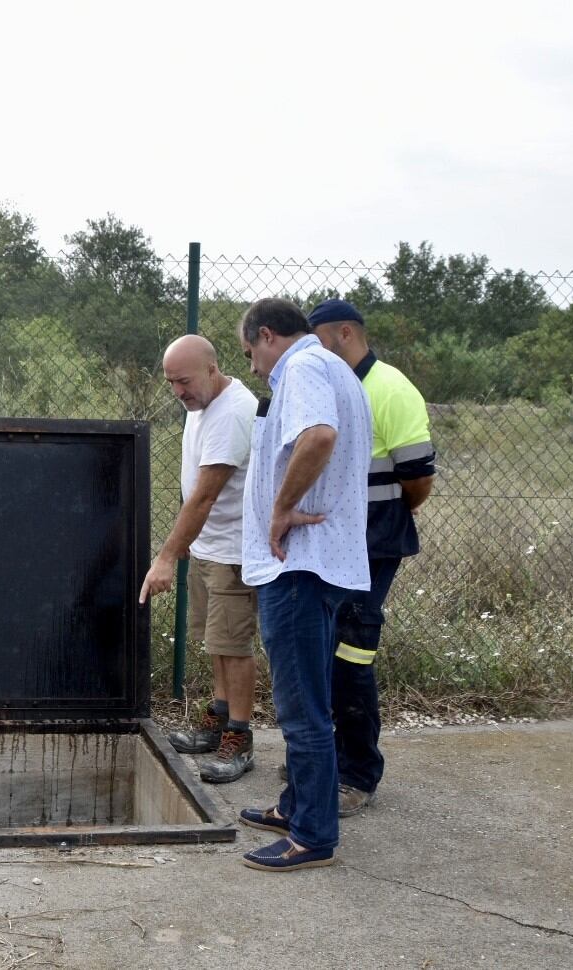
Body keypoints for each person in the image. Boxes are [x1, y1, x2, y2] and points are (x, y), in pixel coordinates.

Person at [235, 298, 371, 872]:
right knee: (307, 693)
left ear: (268, 336)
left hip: (299, 564)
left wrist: (282, 507)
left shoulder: (304, 368)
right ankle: (297, 808)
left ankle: (313, 835)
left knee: (300, 707)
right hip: (318, 563)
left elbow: (317, 436)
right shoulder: (334, 368)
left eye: (250, 355)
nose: (255, 369)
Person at [309, 298, 435, 816]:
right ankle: (330, 759)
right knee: (322, 649)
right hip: (333, 542)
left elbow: (418, 480)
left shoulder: (390, 389)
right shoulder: (330, 385)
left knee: (353, 652)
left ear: (344, 334)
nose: (311, 352)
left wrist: (376, 516)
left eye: (317, 339)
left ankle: (358, 773)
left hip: (375, 544)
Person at [140, 334, 260, 784]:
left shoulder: (232, 412)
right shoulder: (201, 405)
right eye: (171, 383)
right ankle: (219, 717)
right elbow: (199, 492)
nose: (178, 391)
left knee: (233, 646)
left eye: (184, 381)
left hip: (233, 551)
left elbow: (206, 495)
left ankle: (240, 739)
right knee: (216, 644)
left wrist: (167, 556)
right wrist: (189, 543)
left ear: (213, 369)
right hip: (209, 545)